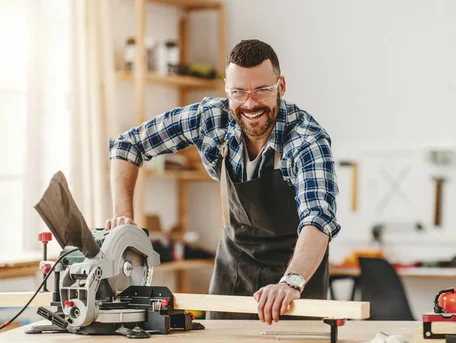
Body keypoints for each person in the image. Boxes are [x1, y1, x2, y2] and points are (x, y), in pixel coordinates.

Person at [105, 39, 341, 324]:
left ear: (281, 87)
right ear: (227, 91)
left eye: (261, 90)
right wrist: (123, 217)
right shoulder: (211, 119)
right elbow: (128, 145)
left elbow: (318, 217)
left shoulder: (306, 139)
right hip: (234, 271)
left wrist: (290, 282)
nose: (250, 103)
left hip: (295, 283)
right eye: (239, 92)